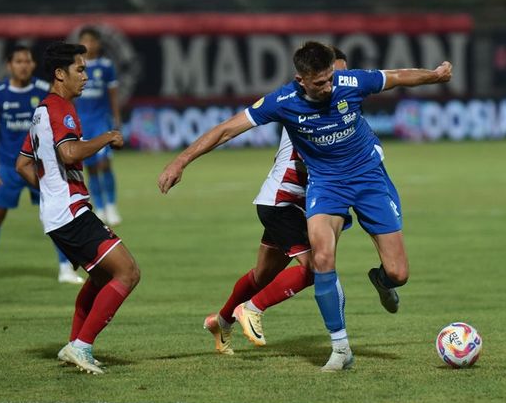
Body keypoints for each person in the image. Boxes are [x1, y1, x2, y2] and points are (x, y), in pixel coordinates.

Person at [159, 41, 452, 371]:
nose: (328, 86)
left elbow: (397, 76)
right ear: (301, 79)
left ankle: (382, 281)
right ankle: (340, 349)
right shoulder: (282, 102)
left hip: (369, 178)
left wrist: (434, 76)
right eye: (320, 82)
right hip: (326, 185)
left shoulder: (349, 83)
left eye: (330, 78)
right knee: (321, 258)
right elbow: (226, 130)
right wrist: (180, 161)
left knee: (399, 272)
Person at [203, 48, 349, 355]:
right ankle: (252, 308)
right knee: (315, 268)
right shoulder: (300, 112)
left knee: (262, 275)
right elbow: (317, 163)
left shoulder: (337, 109)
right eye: (329, 78)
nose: (335, 85)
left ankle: (223, 320)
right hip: (282, 201)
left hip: (296, 204)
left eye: (339, 78)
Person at [16, 42, 140, 375]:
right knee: (127, 272)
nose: (86, 76)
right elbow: (70, 153)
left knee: (101, 277)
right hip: (71, 212)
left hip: (59, 212)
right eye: (80, 70)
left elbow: (22, 165)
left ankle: (75, 344)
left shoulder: (42, 110)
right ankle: (82, 346)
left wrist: (50, 192)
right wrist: (107, 137)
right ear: (60, 74)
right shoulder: (60, 109)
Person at [0, 45, 84, 287]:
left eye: (28, 61)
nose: (24, 65)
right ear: (9, 65)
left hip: (42, 167)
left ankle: (66, 269)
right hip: (8, 168)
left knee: (58, 216)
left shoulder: (45, 92)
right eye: (18, 61)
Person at [75, 26, 122, 226]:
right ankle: (100, 207)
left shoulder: (105, 66)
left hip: (101, 121)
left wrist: (116, 118)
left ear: (98, 44)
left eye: (92, 41)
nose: (89, 45)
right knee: (91, 167)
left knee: (104, 164)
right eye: (85, 41)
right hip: (83, 122)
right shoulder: (76, 67)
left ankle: (111, 205)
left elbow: (112, 94)